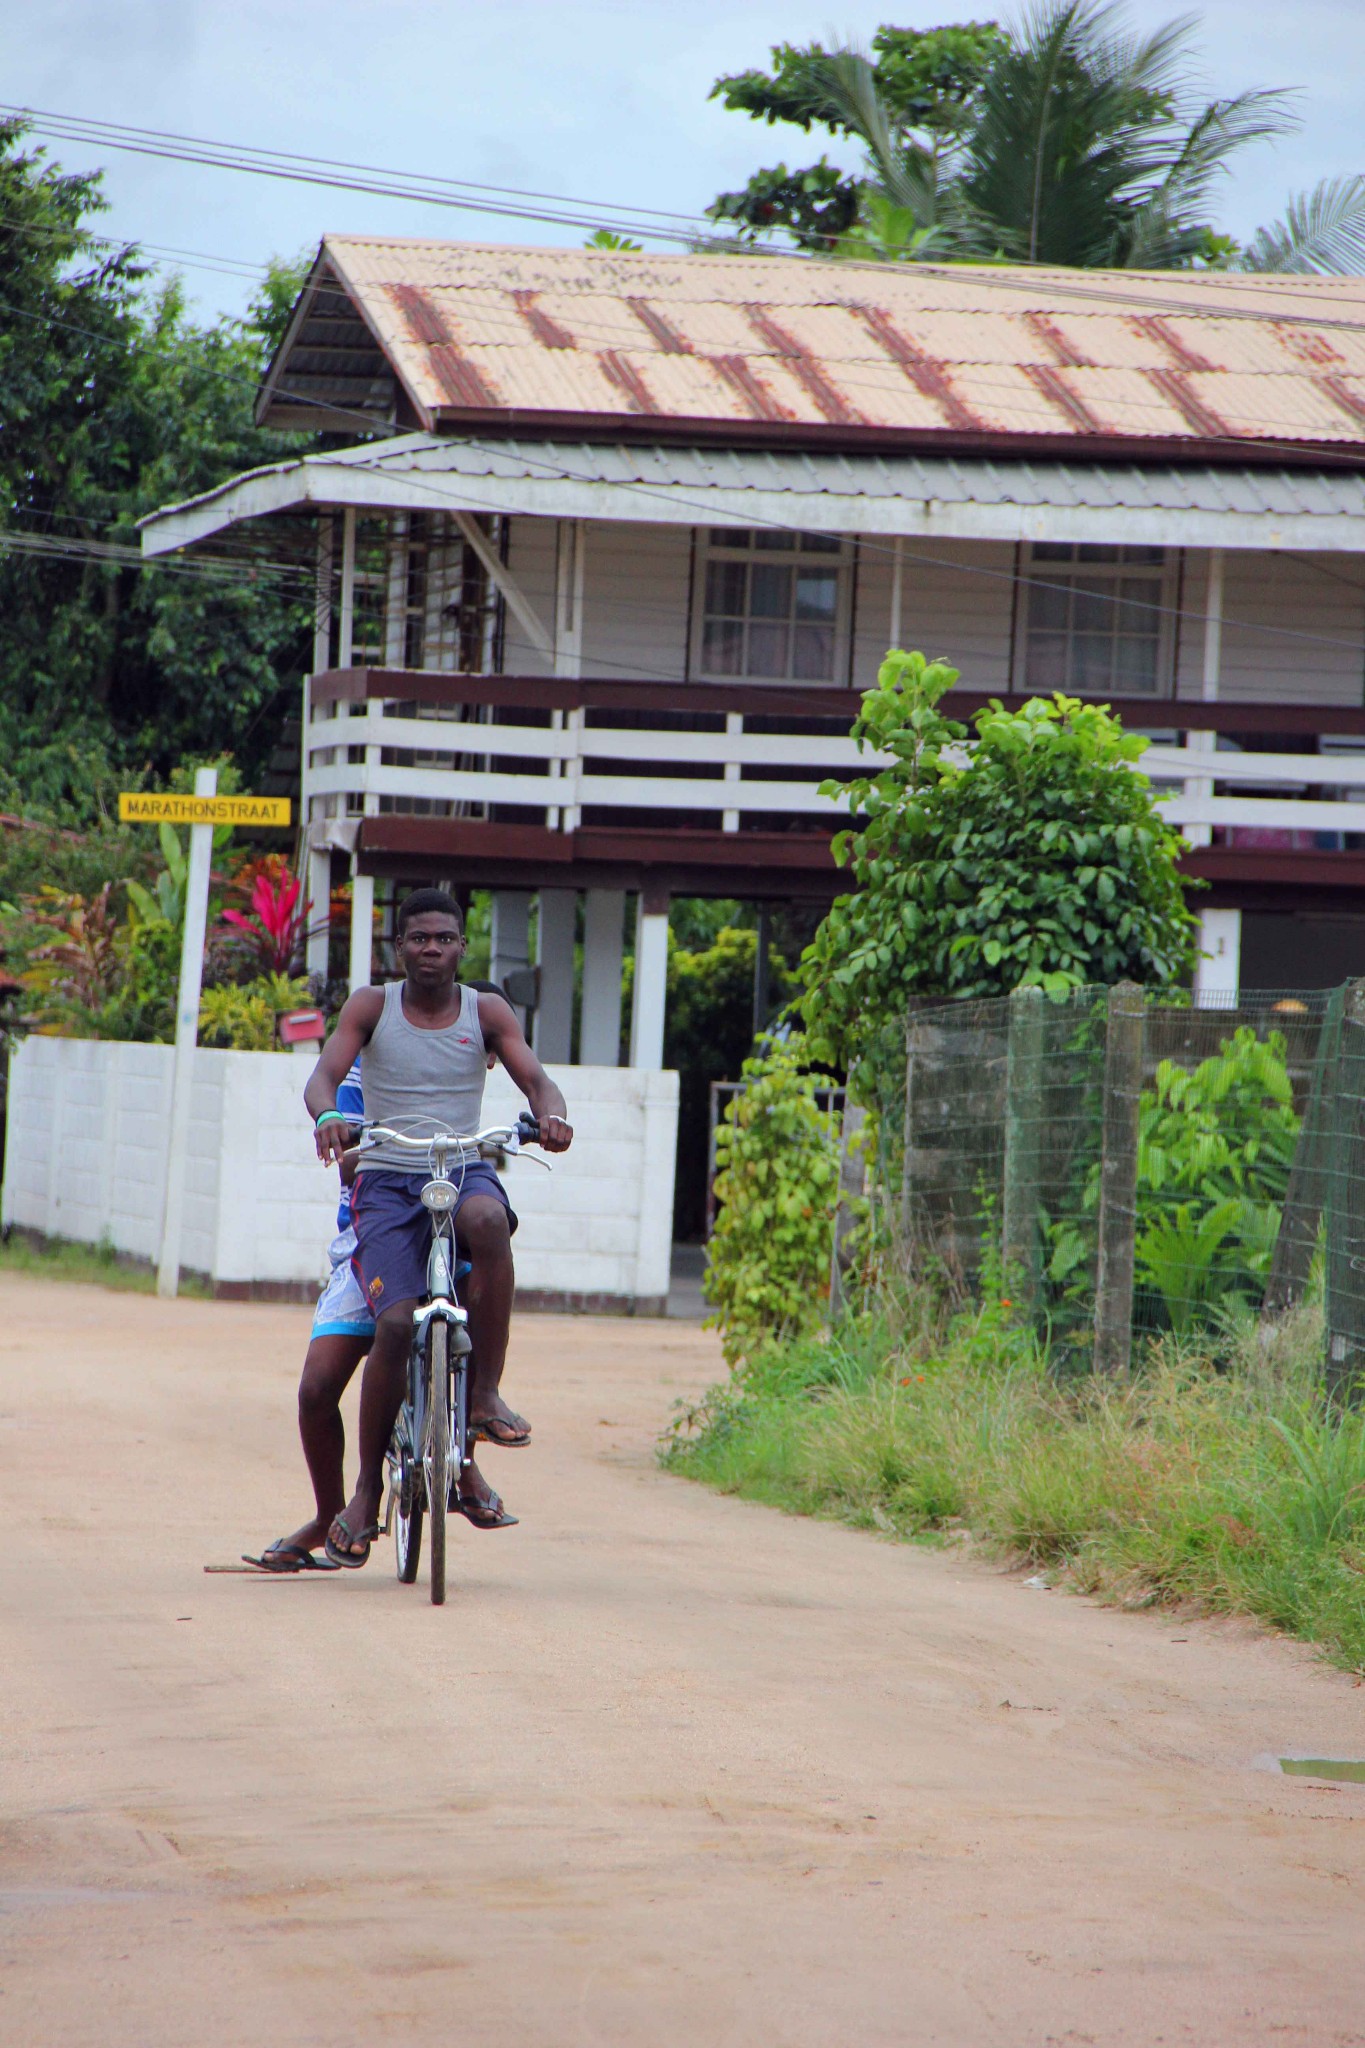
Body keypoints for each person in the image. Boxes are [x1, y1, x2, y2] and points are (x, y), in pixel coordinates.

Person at [304, 889, 573, 1569]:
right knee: (394, 1323)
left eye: (444, 938)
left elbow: (536, 1078)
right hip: (388, 1181)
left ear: (461, 947)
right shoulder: (372, 1006)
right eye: (418, 938)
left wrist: (553, 1113)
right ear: (400, 949)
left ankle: (482, 1393)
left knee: (488, 1218)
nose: (431, 948)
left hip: (461, 1168)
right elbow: (324, 1076)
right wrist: (327, 1117)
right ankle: (365, 1493)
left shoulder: (486, 1012)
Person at [246, 982, 517, 1573]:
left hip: (440, 1229)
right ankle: (331, 1512)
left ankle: (463, 1459)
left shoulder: (461, 1083)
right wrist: (337, 1131)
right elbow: (331, 1112)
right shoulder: (362, 1067)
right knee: (318, 1388)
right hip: (371, 1240)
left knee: (468, 1313)